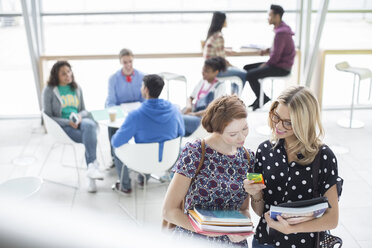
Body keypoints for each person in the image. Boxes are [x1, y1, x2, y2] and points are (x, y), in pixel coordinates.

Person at [243, 86, 342, 248]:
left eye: (288, 123)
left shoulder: (324, 156)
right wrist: (255, 194)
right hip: (265, 241)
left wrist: (291, 229)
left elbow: (332, 219)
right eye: (276, 117)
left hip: (305, 244)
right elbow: (261, 211)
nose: (279, 126)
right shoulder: (264, 151)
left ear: (304, 123)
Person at [163, 95, 255, 248]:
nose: (242, 137)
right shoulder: (195, 152)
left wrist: (242, 229)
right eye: (233, 134)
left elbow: (244, 209)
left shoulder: (248, 157)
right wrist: (203, 230)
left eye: (244, 128)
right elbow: (169, 211)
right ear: (218, 130)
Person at [111, 74, 185, 194]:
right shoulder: (174, 110)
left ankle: (125, 186)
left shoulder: (136, 115)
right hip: (168, 160)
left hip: (143, 161)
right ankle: (142, 179)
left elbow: (117, 142)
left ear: (145, 90)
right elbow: (181, 133)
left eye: (142, 86)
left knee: (117, 146)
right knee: (154, 147)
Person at [42, 61, 104, 193]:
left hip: (80, 123)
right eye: (63, 73)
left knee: (90, 124)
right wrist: (67, 122)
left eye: (69, 72)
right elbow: (47, 116)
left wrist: (79, 116)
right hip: (63, 127)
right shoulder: (49, 91)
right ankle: (92, 171)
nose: (68, 75)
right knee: (90, 136)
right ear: (56, 75)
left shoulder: (76, 88)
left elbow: (84, 110)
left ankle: (92, 169)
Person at [243, 5, 296, 111]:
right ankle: (262, 98)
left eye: (270, 15)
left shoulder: (281, 33)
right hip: (280, 64)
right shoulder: (282, 29)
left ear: (277, 16)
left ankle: (262, 98)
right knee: (246, 67)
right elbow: (279, 48)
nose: (268, 18)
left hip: (281, 68)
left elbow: (275, 57)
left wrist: (265, 65)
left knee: (250, 75)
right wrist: (268, 49)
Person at [105, 48, 145, 168]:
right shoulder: (113, 79)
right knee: (113, 127)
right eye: (125, 62)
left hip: (136, 111)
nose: (128, 65)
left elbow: (145, 100)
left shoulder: (142, 76)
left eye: (130, 62)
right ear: (120, 62)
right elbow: (111, 102)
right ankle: (115, 157)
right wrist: (120, 112)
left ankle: (141, 156)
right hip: (120, 111)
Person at [203, 11, 248, 93]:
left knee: (236, 72)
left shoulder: (212, 35)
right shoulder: (219, 36)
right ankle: (234, 98)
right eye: (225, 20)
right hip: (216, 71)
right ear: (221, 21)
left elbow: (217, 51)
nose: (226, 22)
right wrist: (233, 66)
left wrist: (224, 50)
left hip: (209, 69)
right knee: (243, 73)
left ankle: (233, 96)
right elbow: (222, 60)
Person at [182, 56, 227, 136]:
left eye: (207, 71)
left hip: (204, 120)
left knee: (178, 119)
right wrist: (189, 107)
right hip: (194, 113)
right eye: (203, 70)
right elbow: (190, 97)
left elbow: (214, 109)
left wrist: (194, 114)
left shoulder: (220, 86)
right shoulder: (202, 81)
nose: (203, 73)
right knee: (174, 112)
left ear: (216, 72)